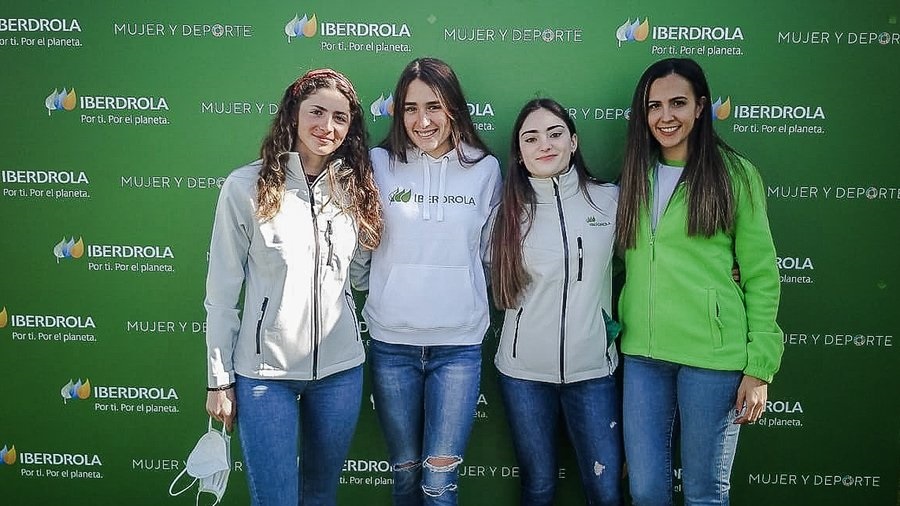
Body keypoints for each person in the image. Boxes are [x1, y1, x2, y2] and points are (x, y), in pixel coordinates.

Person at [203, 68, 383, 506]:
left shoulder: (354, 187)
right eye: (317, 112)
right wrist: (218, 379)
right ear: (292, 116)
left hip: (341, 373)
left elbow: (358, 277)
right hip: (266, 378)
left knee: (320, 497)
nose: (328, 126)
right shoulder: (245, 186)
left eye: (340, 117)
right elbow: (222, 292)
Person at [616, 58, 783, 506]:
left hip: (712, 360)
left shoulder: (736, 175)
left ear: (701, 106)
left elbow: (762, 273)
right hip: (643, 357)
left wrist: (760, 366)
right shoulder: (636, 176)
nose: (665, 117)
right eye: (654, 106)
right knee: (647, 491)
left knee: (704, 493)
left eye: (678, 103)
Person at [360, 57, 502, 505]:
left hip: (458, 348)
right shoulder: (378, 163)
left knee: (438, 486)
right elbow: (362, 246)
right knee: (404, 477)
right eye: (409, 108)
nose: (422, 120)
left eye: (435, 106)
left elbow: (489, 254)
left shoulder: (485, 168)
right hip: (391, 345)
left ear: (454, 108)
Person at [490, 98, 623, 506]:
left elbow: (656, 257)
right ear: (520, 153)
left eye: (554, 133)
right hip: (523, 374)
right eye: (531, 138)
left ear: (574, 140)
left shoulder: (611, 200)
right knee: (539, 486)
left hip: (594, 371)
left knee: (605, 489)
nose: (544, 144)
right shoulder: (507, 212)